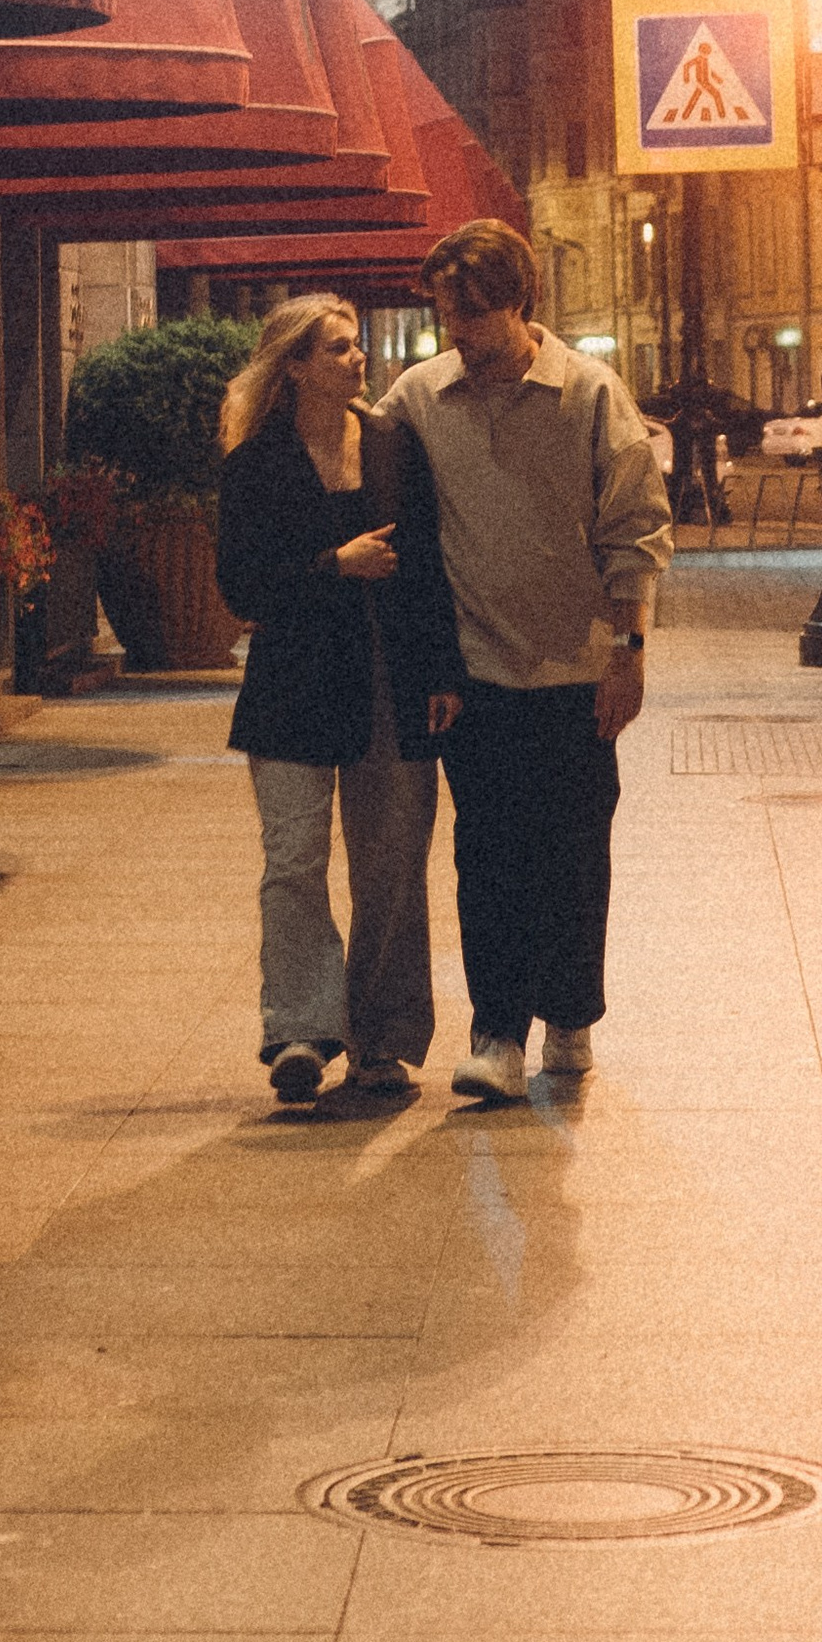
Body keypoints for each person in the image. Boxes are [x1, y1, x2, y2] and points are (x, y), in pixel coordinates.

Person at [380, 219, 674, 1107]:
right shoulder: (420, 398)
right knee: (486, 855)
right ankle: (496, 1031)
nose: (458, 332)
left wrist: (629, 653)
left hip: (578, 669)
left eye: (474, 314)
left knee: (576, 851)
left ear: (521, 303)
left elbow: (636, 528)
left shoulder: (588, 393)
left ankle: (570, 1012)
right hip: (476, 670)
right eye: (445, 313)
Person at [214, 295, 467, 1106]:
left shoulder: (394, 446)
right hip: (291, 686)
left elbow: (427, 568)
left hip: (390, 680)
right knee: (292, 862)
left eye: (356, 347)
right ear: (294, 366)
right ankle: (297, 1029)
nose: (357, 360)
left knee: (391, 864)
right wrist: (335, 564)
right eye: (337, 349)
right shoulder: (255, 461)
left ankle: (382, 1041)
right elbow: (239, 586)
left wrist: (441, 677)